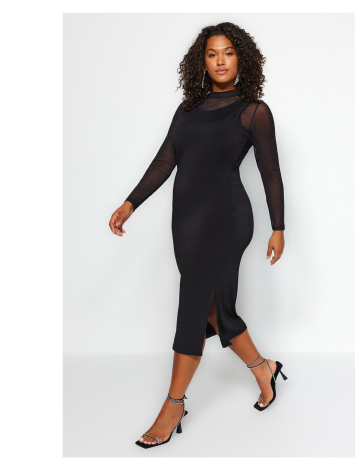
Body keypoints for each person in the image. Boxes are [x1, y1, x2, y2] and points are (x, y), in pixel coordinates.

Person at [109, 22, 288, 449]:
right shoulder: (187, 109)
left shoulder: (253, 111)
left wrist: (278, 227)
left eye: (228, 52)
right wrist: (130, 203)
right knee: (215, 313)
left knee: (192, 307)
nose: (220, 60)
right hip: (186, 223)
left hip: (227, 221)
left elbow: (271, 175)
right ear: (201, 62)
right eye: (212, 54)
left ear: (241, 58)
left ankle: (173, 405)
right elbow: (164, 160)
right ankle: (263, 368)